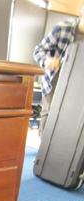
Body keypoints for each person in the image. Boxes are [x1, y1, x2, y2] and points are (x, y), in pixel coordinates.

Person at [33, 6, 84, 134]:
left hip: (76, 87)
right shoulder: (62, 28)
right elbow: (38, 51)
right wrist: (48, 61)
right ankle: (43, 151)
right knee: (49, 119)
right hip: (54, 83)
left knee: (68, 124)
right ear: (81, 12)